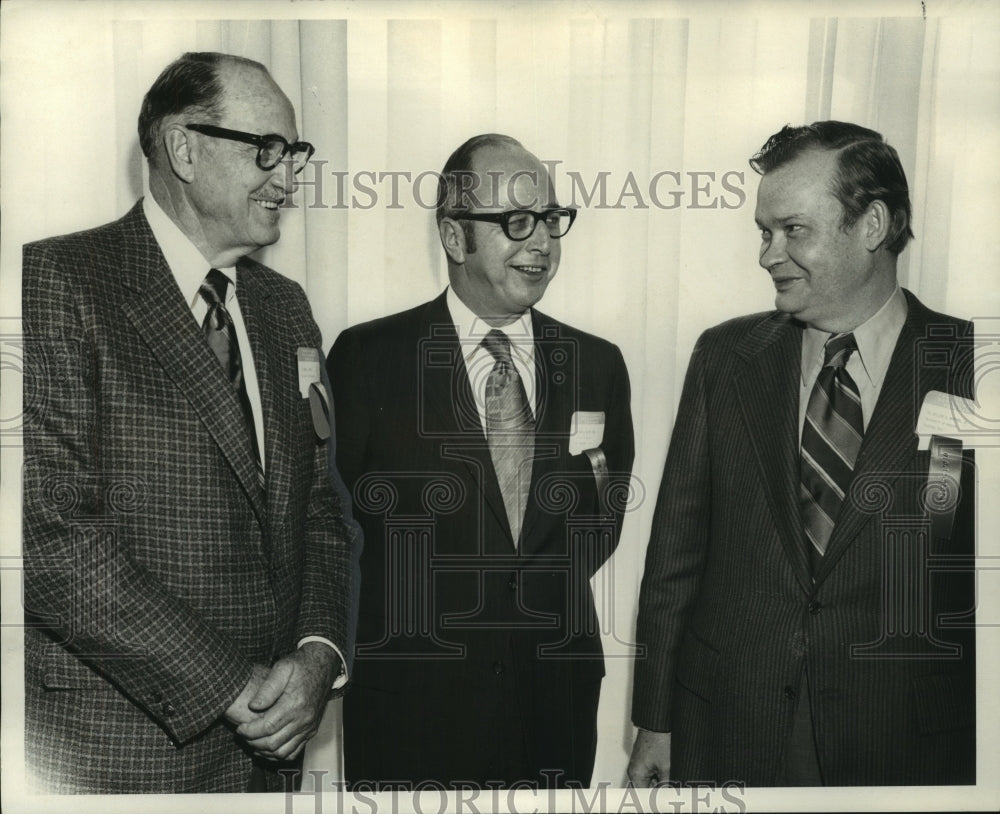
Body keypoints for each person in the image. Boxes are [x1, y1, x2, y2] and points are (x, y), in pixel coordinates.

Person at [22, 51, 358, 794]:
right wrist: (229, 685)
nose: (290, 178)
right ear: (184, 148)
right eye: (266, 150)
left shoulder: (284, 307)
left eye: (294, 153)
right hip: (122, 758)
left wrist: (317, 654)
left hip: (271, 758)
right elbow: (48, 537)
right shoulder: (56, 281)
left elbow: (320, 510)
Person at [628, 121, 976, 787]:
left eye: (793, 230)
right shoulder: (725, 357)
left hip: (903, 745)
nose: (768, 254)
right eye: (765, 232)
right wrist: (655, 721)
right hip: (730, 729)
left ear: (870, 226)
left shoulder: (974, 369)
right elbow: (675, 558)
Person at [327, 134, 635, 788]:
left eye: (551, 221)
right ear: (455, 237)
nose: (543, 243)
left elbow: (602, 522)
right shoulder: (367, 359)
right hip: (410, 714)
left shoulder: (597, 365)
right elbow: (334, 531)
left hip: (554, 705)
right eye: (516, 223)